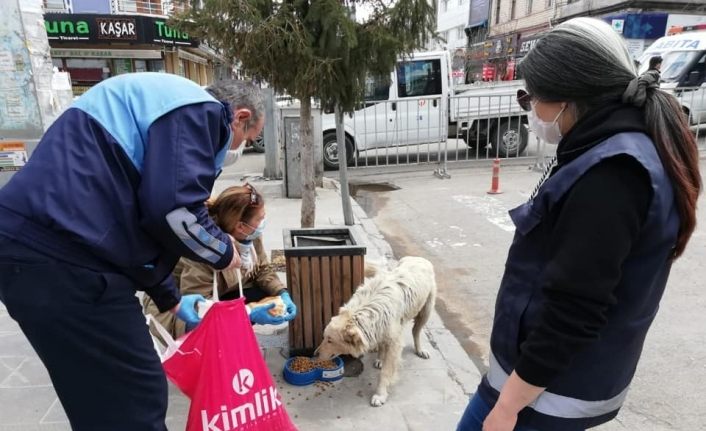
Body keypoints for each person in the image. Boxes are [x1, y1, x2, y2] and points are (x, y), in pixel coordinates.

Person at [457, 18, 701, 431]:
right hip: (536, 380)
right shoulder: (607, 145)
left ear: (568, 100)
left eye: (530, 98)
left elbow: (575, 308)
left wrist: (507, 408)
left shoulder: (613, 175)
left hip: (544, 395)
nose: (531, 110)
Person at [0, 73, 264, 430]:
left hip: (38, 249)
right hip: (62, 257)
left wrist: (168, 297)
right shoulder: (200, 111)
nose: (239, 148)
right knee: (136, 399)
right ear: (240, 116)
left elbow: (133, 221)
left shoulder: (162, 102)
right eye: (247, 138)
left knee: (99, 401)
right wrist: (223, 251)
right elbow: (172, 210)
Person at [144, 184, 297, 338]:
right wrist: (248, 313)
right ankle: (216, 344)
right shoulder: (204, 247)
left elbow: (262, 269)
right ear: (240, 227)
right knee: (232, 317)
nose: (263, 222)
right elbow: (198, 309)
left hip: (220, 293)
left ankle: (233, 336)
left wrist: (281, 292)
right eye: (261, 218)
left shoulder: (250, 235)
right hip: (176, 310)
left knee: (264, 294)